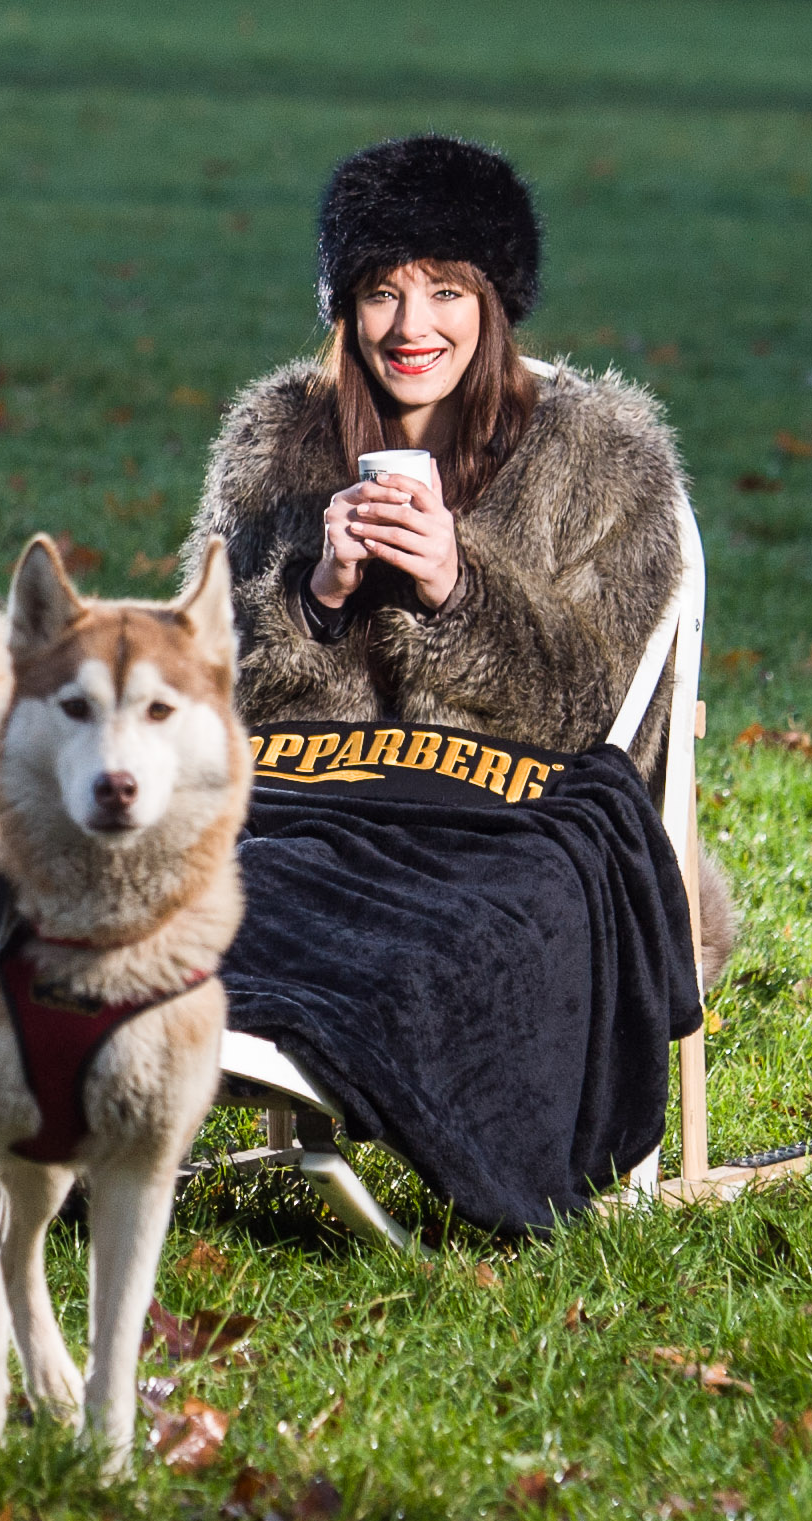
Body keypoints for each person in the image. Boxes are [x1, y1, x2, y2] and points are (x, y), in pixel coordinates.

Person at [188, 133, 734, 984]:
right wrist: (314, 602)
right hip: (321, 827)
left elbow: (605, 731)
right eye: (380, 294)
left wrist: (460, 594)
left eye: (444, 291)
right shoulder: (274, 450)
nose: (412, 328)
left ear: (492, 302)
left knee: (461, 933)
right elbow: (204, 710)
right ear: (344, 310)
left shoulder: (598, 461)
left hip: (516, 841)